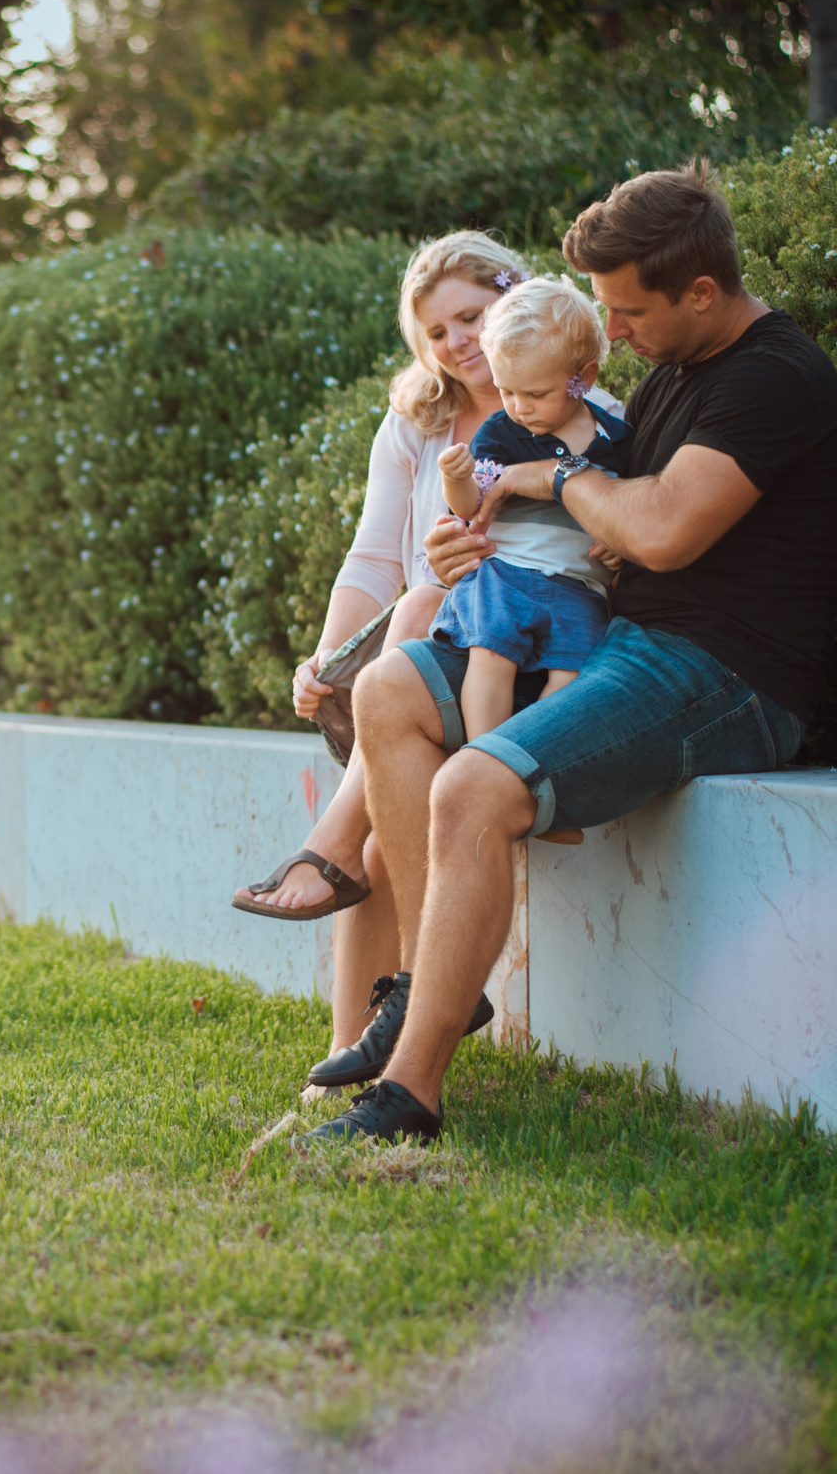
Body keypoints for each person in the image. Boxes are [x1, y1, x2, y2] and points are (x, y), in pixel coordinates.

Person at [303, 166, 837, 1145]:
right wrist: (458, 544)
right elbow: (606, 529)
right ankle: (440, 990)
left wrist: (556, 480)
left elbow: (665, 528)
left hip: (717, 673)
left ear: (699, 291)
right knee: (389, 689)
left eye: (627, 309)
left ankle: (409, 1094)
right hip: (615, 640)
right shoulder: (674, 370)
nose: (616, 334)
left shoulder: (774, 376)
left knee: (471, 787)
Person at [228, 232, 622, 1091]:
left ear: (513, 302)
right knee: (407, 612)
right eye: (436, 331)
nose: (458, 344)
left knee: (418, 606)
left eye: (472, 317)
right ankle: (347, 1049)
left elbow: (607, 545)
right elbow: (373, 557)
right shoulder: (418, 420)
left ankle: (327, 849)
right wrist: (327, 658)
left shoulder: (579, 409)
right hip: (425, 663)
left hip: (519, 666)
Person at [412, 275, 632, 749]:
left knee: (573, 675)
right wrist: (456, 478)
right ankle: (484, 758)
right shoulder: (502, 433)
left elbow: (628, 508)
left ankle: (533, 762)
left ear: (584, 378)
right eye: (507, 391)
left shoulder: (618, 440)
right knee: (491, 660)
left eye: (535, 395)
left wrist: (619, 544)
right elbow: (475, 507)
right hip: (507, 576)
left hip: (580, 587)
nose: (519, 407)